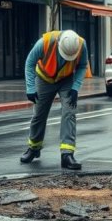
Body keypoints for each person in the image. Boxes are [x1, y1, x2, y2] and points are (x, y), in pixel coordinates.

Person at [20, 30, 88, 170]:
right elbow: (30, 63)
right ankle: (33, 148)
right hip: (44, 79)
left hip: (66, 80)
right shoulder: (43, 43)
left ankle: (67, 155)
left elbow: (82, 66)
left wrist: (75, 87)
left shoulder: (81, 44)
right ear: (58, 44)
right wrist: (30, 88)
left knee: (69, 112)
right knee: (39, 114)